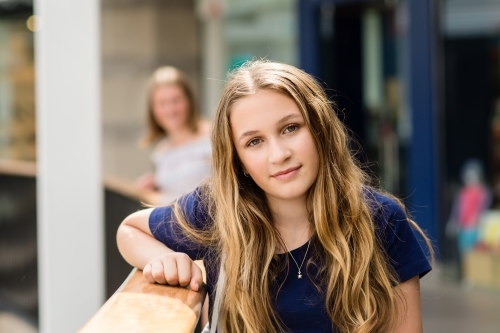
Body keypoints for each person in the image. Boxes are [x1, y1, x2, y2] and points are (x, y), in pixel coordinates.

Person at [118, 61, 432, 333]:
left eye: (291, 128)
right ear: (237, 159)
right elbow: (129, 231)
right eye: (254, 142)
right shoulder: (220, 212)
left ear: (320, 128)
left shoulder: (381, 219)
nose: (279, 155)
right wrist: (162, 259)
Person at [137, 66, 211, 204]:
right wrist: (154, 187)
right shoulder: (160, 151)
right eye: (162, 103)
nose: (170, 110)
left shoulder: (211, 136)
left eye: (176, 100)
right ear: (152, 109)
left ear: (189, 101)